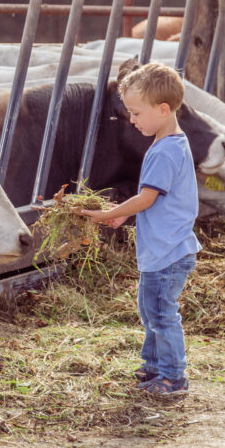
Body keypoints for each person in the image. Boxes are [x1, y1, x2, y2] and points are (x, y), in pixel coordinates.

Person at [80, 62, 200, 396]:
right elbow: (156, 201)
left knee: (161, 313)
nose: (131, 120)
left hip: (167, 251)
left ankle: (174, 377)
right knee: (150, 309)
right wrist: (123, 216)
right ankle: (153, 367)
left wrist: (108, 214)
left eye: (135, 113)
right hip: (165, 249)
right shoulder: (171, 143)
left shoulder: (164, 152)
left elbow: (146, 199)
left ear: (163, 109)